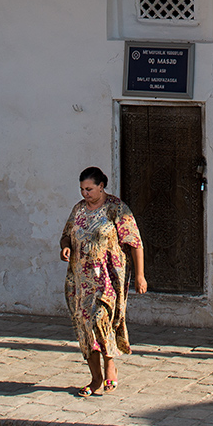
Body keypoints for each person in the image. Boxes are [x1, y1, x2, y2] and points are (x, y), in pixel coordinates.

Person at [58, 165, 147, 397]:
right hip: (80, 280)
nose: (85, 194)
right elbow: (66, 234)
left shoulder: (116, 208)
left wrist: (140, 275)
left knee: (101, 320)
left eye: (89, 189)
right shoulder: (78, 210)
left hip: (107, 278)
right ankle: (95, 378)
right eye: (82, 189)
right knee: (85, 328)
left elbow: (135, 242)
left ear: (101, 186)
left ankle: (110, 366)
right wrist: (66, 247)